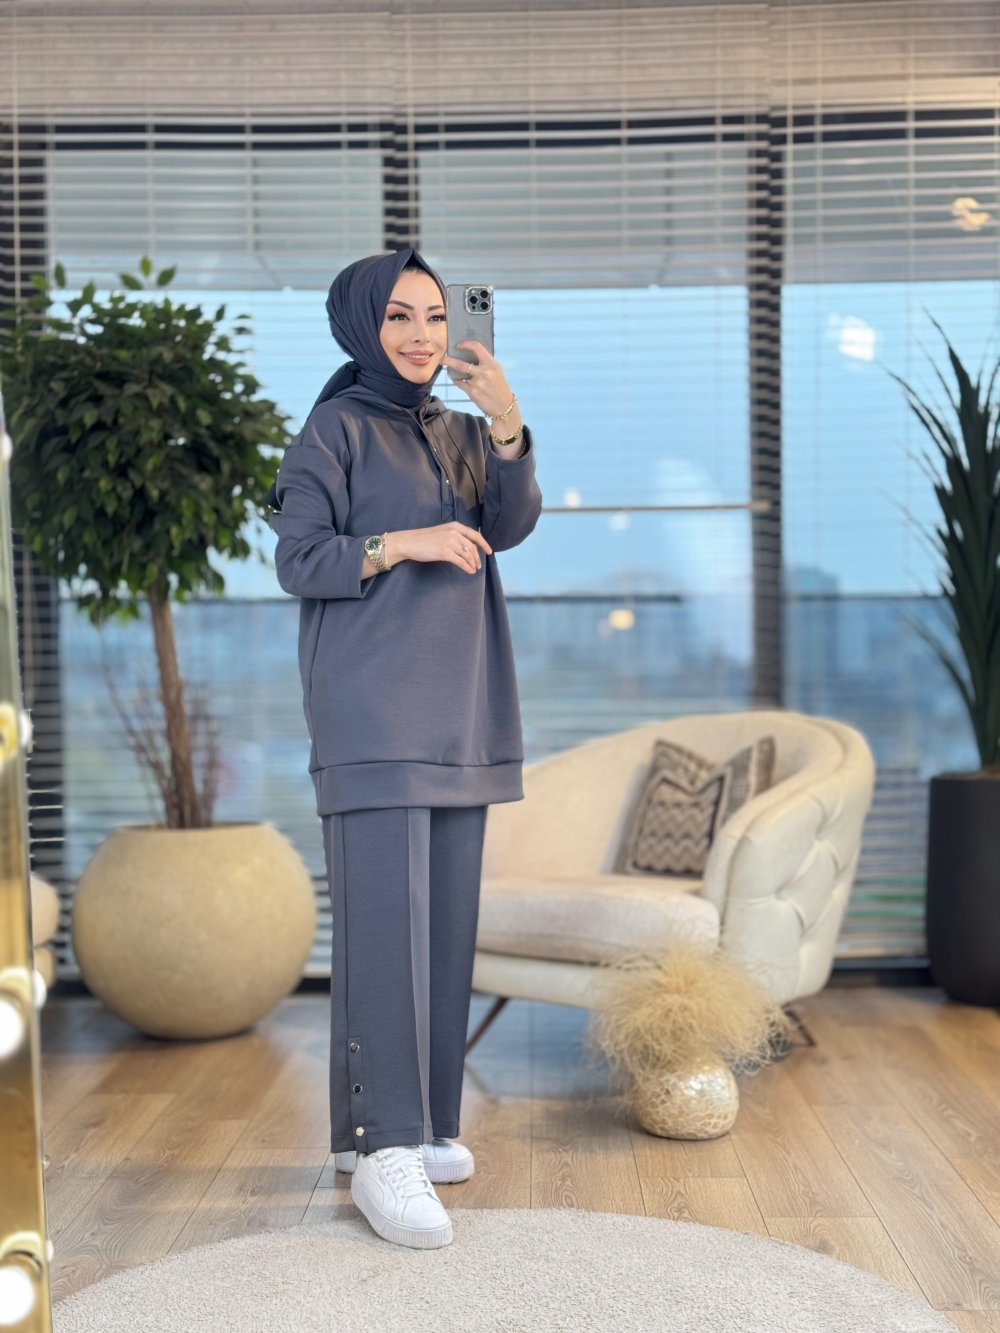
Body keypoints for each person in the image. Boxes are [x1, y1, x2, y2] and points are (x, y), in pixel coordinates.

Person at [267, 246, 542, 1250]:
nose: (423, 335)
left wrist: (504, 419)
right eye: (398, 317)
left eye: (434, 315)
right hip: (371, 712)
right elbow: (300, 558)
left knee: (443, 928)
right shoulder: (333, 429)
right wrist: (406, 542)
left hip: (461, 705)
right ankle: (381, 1146)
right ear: (359, 326)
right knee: (384, 930)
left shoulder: (463, 431)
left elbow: (510, 523)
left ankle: (413, 1126)